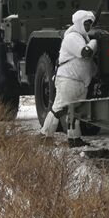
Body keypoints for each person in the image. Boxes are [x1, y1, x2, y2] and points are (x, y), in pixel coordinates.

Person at [40, 9, 98, 144]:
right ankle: (45, 135)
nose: (88, 27)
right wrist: (95, 42)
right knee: (59, 108)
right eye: (86, 23)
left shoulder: (83, 37)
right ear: (79, 23)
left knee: (75, 111)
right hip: (68, 79)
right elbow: (85, 53)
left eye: (90, 24)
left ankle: (74, 138)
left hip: (80, 82)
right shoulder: (72, 37)